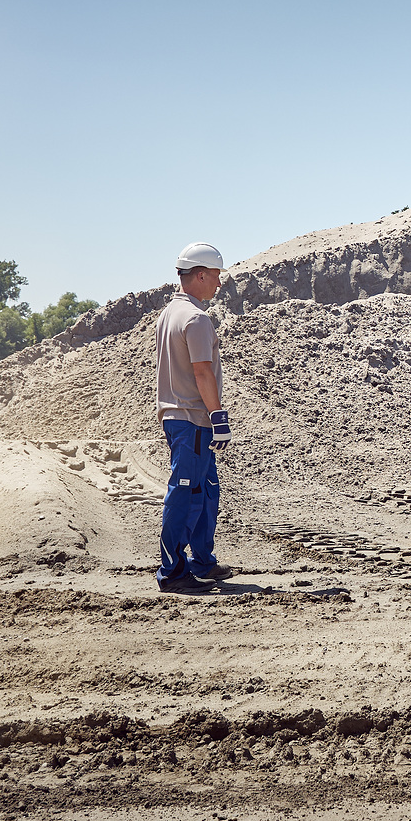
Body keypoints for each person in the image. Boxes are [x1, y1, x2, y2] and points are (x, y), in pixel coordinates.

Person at [155, 242, 233, 593]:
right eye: (215, 276)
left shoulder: (170, 312)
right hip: (193, 420)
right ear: (200, 274)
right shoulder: (197, 319)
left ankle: (202, 560)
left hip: (179, 417)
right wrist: (218, 416)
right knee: (186, 494)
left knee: (205, 491)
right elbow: (202, 373)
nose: (218, 284)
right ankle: (172, 572)